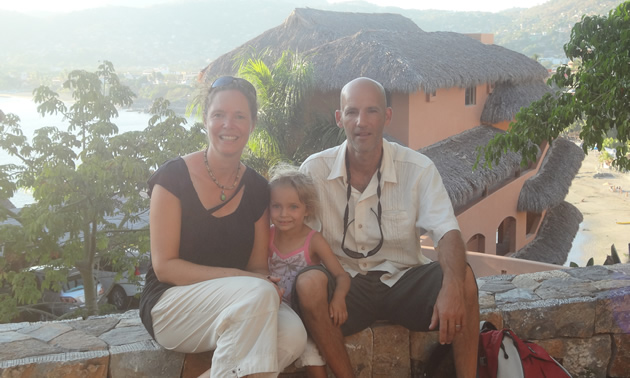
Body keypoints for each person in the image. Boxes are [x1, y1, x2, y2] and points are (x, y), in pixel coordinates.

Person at [296, 77, 479, 378]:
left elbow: (447, 232)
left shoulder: (417, 169)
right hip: (345, 289)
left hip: (403, 281)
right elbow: (297, 239)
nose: (361, 122)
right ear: (339, 118)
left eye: (372, 111)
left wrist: (451, 287)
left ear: (387, 116)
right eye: (352, 112)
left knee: (465, 280)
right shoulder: (314, 171)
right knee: (308, 284)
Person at [139, 76, 307, 378]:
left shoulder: (257, 189)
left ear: (252, 124)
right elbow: (165, 268)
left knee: (294, 334)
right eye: (219, 115)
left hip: (240, 304)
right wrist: (243, 279)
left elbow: (257, 267)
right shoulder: (172, 178)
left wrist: (250, 282)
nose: (228, 124)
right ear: (206, 120)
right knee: (258, 294)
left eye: (239, 116)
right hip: (172, 305)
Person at [267, 164, 351, 378]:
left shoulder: (313, 240)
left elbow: (341, 275)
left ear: (308, 209)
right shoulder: (266, 237)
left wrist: (339, 298)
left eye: (293, 207)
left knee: (313, 356)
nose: (284, 214)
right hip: (275, 312)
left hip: (306, 316)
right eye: (276, 206)